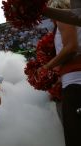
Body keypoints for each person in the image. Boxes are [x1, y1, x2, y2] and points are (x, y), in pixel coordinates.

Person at [38, 0, 81, 145]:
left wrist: (46, 67)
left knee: (75, 136)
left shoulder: (64, 19)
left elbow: (71, 47)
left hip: (75, 83)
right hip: (73, 79)